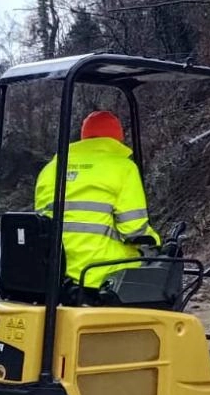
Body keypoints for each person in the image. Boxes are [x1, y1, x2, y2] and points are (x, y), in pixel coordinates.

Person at [35, 110, 160, 294]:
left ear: (84, 137)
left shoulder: (51, 169)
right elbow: (134, 230)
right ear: (117, 138)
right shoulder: (123, 168)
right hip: (101, 274)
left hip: (54, 274)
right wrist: (157, 243)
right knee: (164, 276)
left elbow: (40, 223)